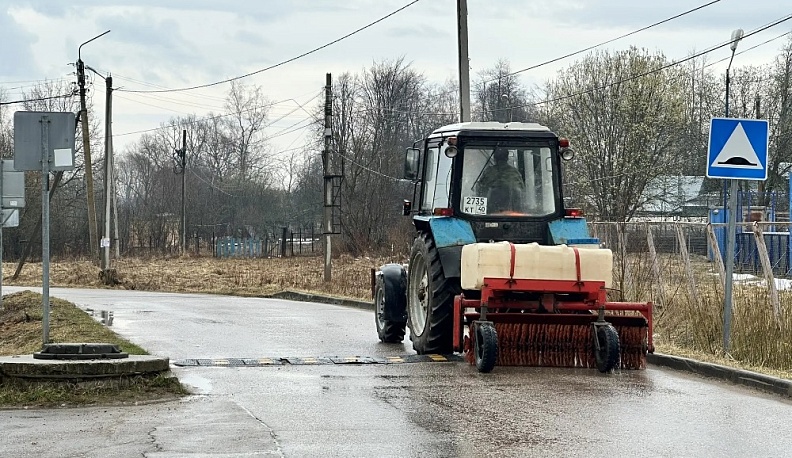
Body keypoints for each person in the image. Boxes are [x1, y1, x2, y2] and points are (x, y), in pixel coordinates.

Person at [476, 148, 524, 212]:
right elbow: (521, 189)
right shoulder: (515, 172)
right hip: (513, 210)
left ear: (494, 158)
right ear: (507, 158)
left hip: (491, 211)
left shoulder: (489, 171)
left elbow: (480, 190)